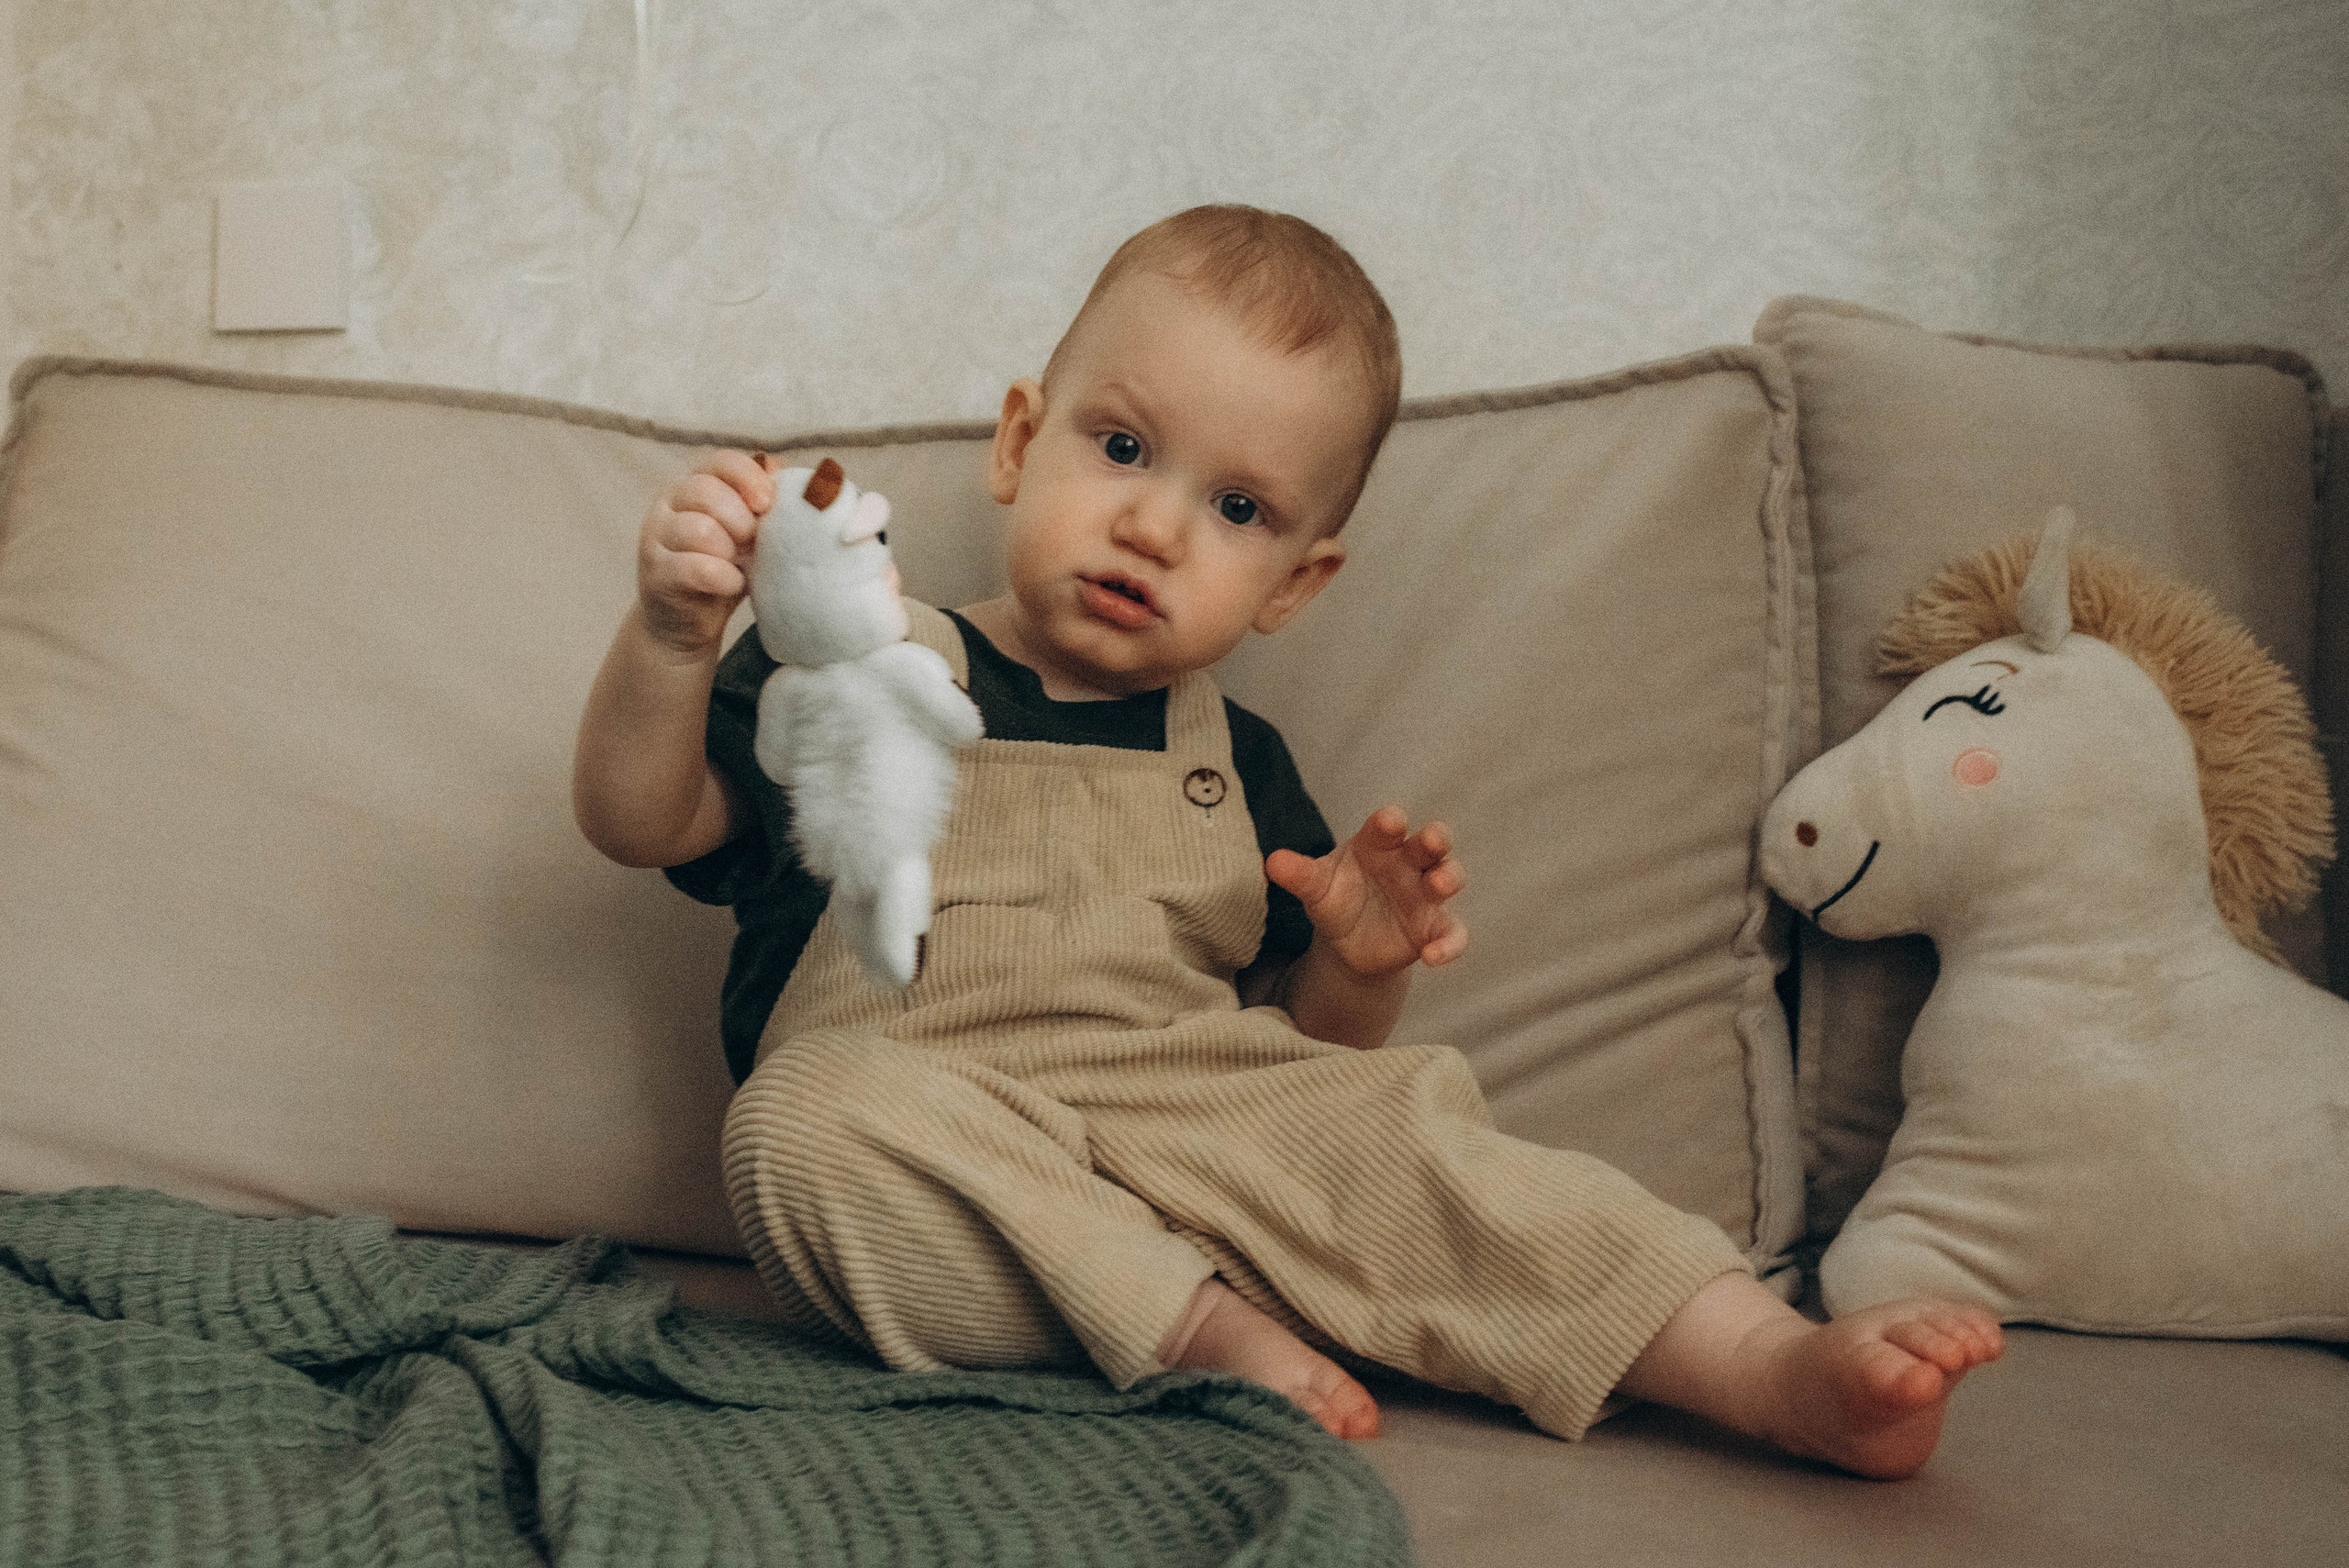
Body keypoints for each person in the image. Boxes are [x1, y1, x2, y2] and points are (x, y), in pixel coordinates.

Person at [573, 205, 2001, 1479]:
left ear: (1294, 582)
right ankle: (1198, 1324)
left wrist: (1358, 963)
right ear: (1022, 441)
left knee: (1424, 1145)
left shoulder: (1237, 772)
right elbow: (643, 821)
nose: (1152, 523)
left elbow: (1313, 1057)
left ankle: (1764, 1367)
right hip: (938, 1134)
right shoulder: (860, 669)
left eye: (1237, 507)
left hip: (1199, 1119)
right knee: (797, 1124)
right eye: (1122, 447)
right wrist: (673, 638)